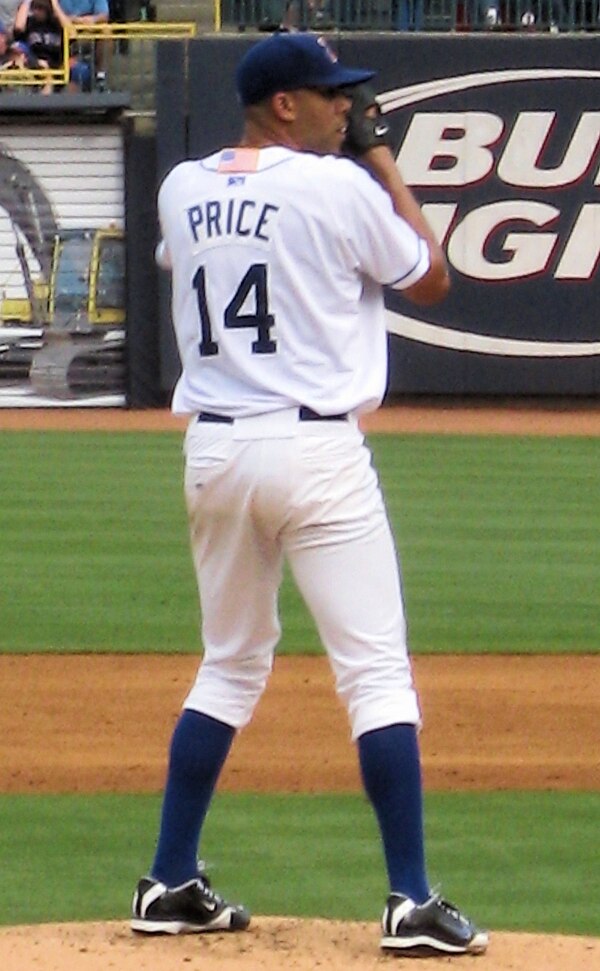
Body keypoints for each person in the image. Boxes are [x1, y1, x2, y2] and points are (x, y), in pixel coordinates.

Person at [131, 32, 490, 957]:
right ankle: (410, 900)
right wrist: (380, 158)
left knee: (230, 663)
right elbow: (435, 274)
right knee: (376, 674)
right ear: (282, 105)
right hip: (317, 451)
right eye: (331, 95)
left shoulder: (182, 185)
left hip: (213, 454)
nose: (348, 107)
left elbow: (195, 253)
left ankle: (170, 878)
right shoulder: (340, 185)